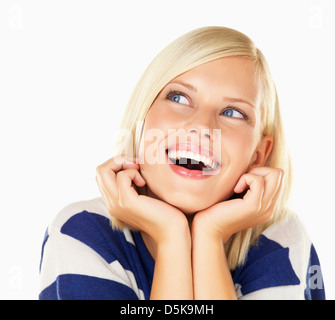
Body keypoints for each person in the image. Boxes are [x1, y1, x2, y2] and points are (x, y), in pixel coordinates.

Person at [39, 26, 325, 300]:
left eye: (233, 112)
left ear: (257, 156)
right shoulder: (83, 232)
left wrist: (210, 236)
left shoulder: (279, 239)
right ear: (142, 121)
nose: (201, 125)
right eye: (179, 97)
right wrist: (171, 236)